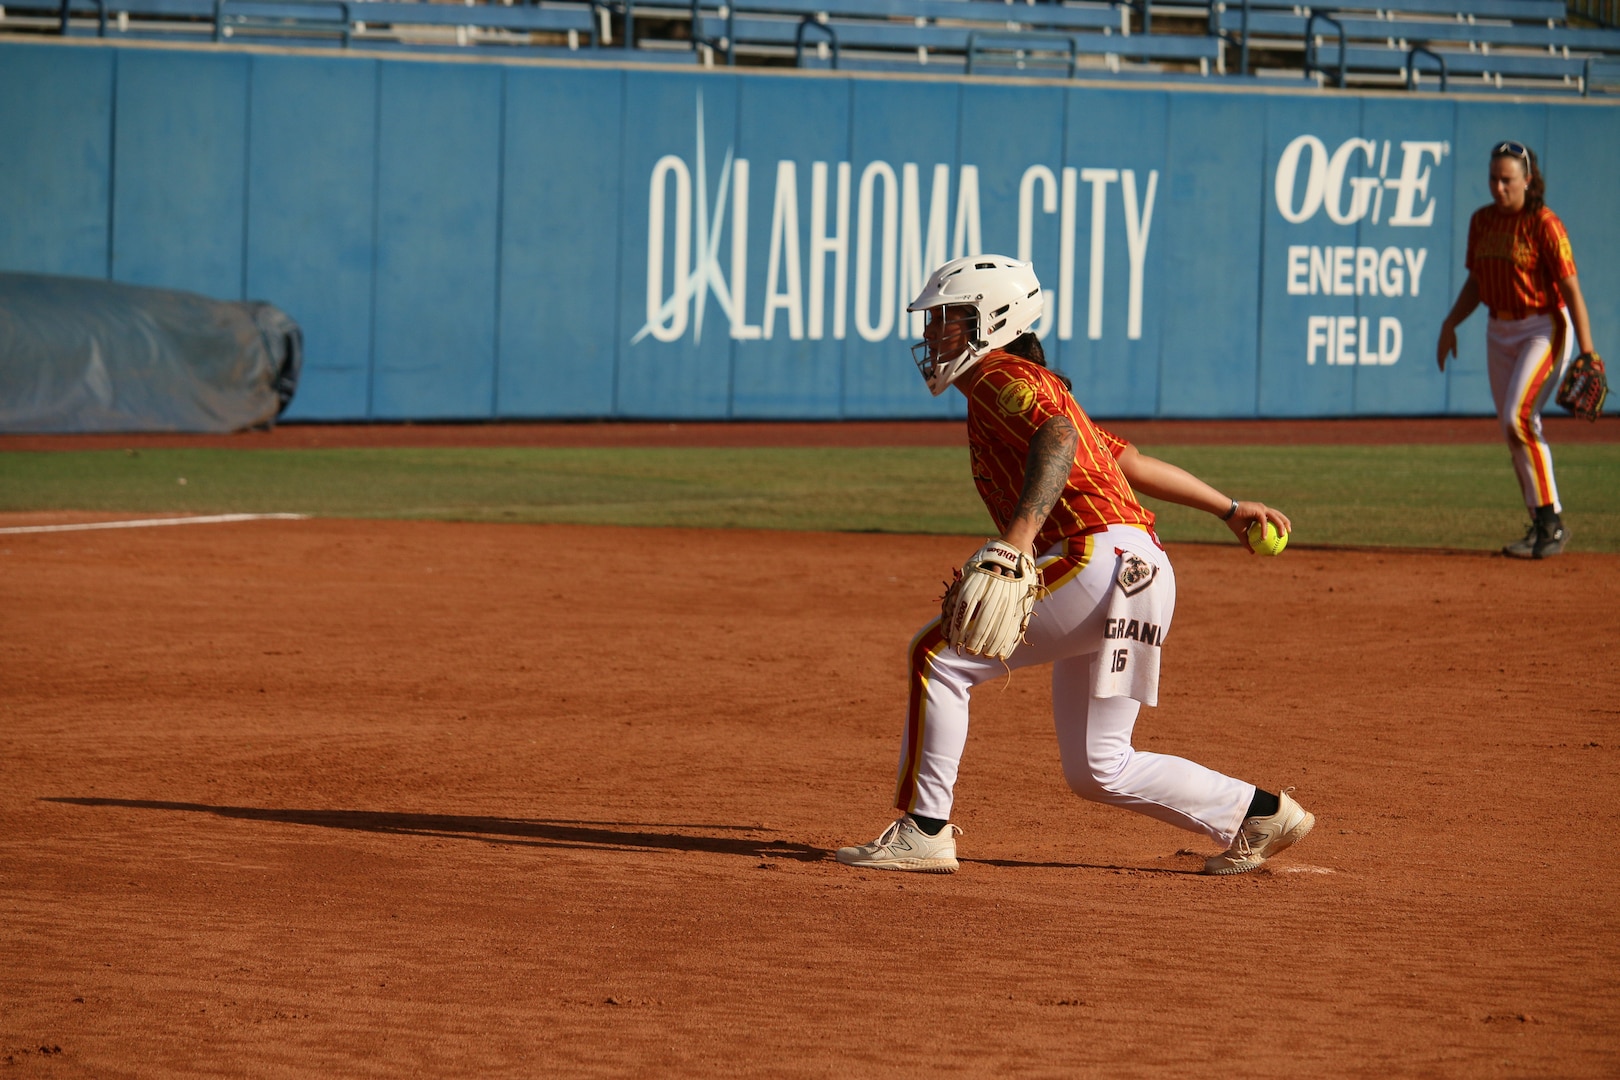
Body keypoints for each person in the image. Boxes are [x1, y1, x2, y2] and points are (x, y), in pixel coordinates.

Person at [835, 255, 1315, 877]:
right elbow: (1130, 463)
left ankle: (924, 829)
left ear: (992, 320)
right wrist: (1226, 508)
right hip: (1143, 570)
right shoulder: (1031, 385)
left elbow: (1058, 438)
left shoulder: (998, 376)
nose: (934, 334)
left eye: (949, 320)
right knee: (1100, 767)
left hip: (1096, 557)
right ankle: (1259, 813)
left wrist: (1015, 542)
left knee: (938, 657)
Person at [1436, 140, 1599, 559]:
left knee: (1518, 417)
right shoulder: (1482, 221)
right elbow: (1477, 282)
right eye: (1493, 178)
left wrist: (1588, 352)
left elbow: (1571, 291)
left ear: (1528, 180)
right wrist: (1451, 321)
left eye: (1507, 179)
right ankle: (1541, 523)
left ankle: (1553, 525)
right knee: (1515, 431)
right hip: (1498, 329)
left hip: (1543, 328)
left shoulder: (1545, 224)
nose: (1498, 187)